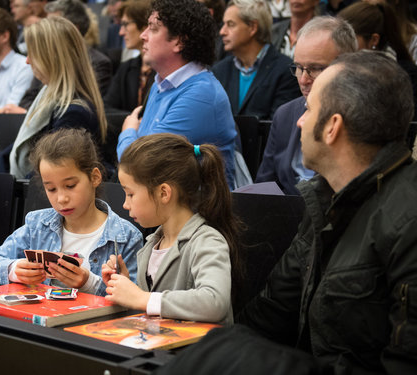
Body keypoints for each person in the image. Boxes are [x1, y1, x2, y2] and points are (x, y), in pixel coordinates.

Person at [154, 50, 417, 375]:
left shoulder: (407, 221)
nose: (299, 121)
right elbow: (271, 312)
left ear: (333, 127)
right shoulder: (326, 202)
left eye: (308, 110)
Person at [0, 128, 142, 296]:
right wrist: (13, 269)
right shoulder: (37, 225)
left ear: (95, 177)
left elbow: (135, 298)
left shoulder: (126, 237)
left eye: (70, 186)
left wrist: (90, 284)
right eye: (51, 189)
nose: (61, 199)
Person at [103, 133, 240, 324]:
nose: (125, 204)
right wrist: (125, 287)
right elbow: (152, 309)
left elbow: (215, 302)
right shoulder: (151, 244)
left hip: (199, 352)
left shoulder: (207, 240)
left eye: (130, 194)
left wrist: (142, 298)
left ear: (164, 193)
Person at [117, 0, 237, 188]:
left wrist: (128, 130)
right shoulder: (161, 83)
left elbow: (138, 165)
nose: (143, 36)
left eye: (153, 29)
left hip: (201, 212)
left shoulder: (201, 96)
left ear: (179, 41)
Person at [255, 16, 357, 195]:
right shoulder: (285, 115)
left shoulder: (362, 119)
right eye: (298, 67)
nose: (303, 79)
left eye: (316, 68)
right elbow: (264, 188)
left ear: (347, 66)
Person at [8, 17, 108, 179]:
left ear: (52, 57)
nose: (27, 61)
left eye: (33, 54)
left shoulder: (74, 113)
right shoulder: (48, 95)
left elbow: (50, 177)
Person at [212, 0, 300, 119]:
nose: (222, 32)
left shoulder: (285, 71)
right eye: (223, 24)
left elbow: (279, 126)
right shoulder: (219, 70)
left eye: (231, 24)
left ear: (252, 27)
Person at [338, 1, 417, 121]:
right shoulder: (337, 68)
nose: (341, 45)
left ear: (374, 40)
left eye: (350, 38)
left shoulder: (406, 74)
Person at [104, 0, 154, 113]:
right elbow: (105, 109)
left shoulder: (164, 69)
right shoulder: (126, 67)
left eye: (125, 25)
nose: (121, 32)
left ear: (145, 25)